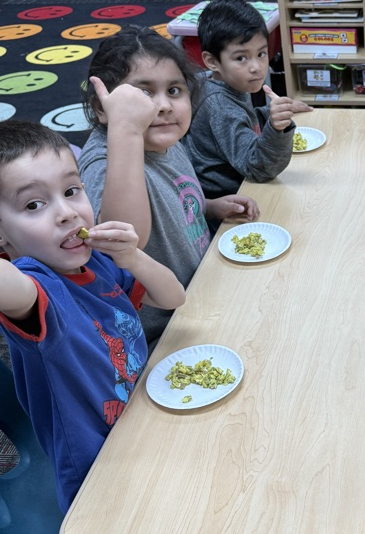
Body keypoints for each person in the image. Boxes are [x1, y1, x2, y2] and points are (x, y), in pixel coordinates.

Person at [0, 121, 237, 534]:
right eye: (32, 204)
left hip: (144, 432)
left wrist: (130, 254)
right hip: (104, 478)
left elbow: (174, 296)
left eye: (72, 191)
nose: (64, 214)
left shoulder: (95, 267)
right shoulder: (35, 291)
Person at [78, 26, 260, 344]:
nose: (162, 105)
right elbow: (126, 236)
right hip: (161, 335)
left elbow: (171, 200)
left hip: (201, 290)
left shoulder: (166, 140)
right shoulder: (105, 161)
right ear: (100, 107)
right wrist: (127, 128)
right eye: (143, 93)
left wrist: (209, 207)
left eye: (174, 91)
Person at [182, 0, 313, 199]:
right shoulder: (219, 106)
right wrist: (277, 128)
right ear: (212, 61)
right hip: (231, 198)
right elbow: (258, 169)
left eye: (261, 53)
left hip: (240, 185)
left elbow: (243, 121)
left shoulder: (225, 84)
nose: (256, 67)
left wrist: (271, 113)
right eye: (241, 58)